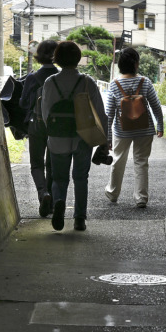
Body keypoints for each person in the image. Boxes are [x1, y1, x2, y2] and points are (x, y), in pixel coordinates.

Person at [41, 41, 107, 232]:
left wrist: (53, 130)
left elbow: (46, 113)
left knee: (59, 179)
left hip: (57, 138)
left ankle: (59, 202)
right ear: (78, 58)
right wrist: (104, 140)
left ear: (57, 59)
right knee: (80, 178)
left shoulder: (50, 82)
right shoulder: (87, 82)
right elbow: (100, 114)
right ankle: (79, 218)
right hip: (83, 137)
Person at [104, 47, 164, 208]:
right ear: (136, 64)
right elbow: (156, 106)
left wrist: (107, 138)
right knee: (141, 162)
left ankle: (113, 193)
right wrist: (160, 125)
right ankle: (141, 198)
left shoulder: (115, 84)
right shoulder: (145, 82)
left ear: (120, 65)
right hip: (145, 129)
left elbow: (109, 114)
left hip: (122, 130)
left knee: (118, 160)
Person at [19, 40, 58, 218]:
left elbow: (23, 103)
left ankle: (43, 194)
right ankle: (50, 203)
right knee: (51, 164)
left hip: (35, 124)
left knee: (36, 164)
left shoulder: (32, 78)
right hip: (56, 125)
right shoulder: (60, 77)